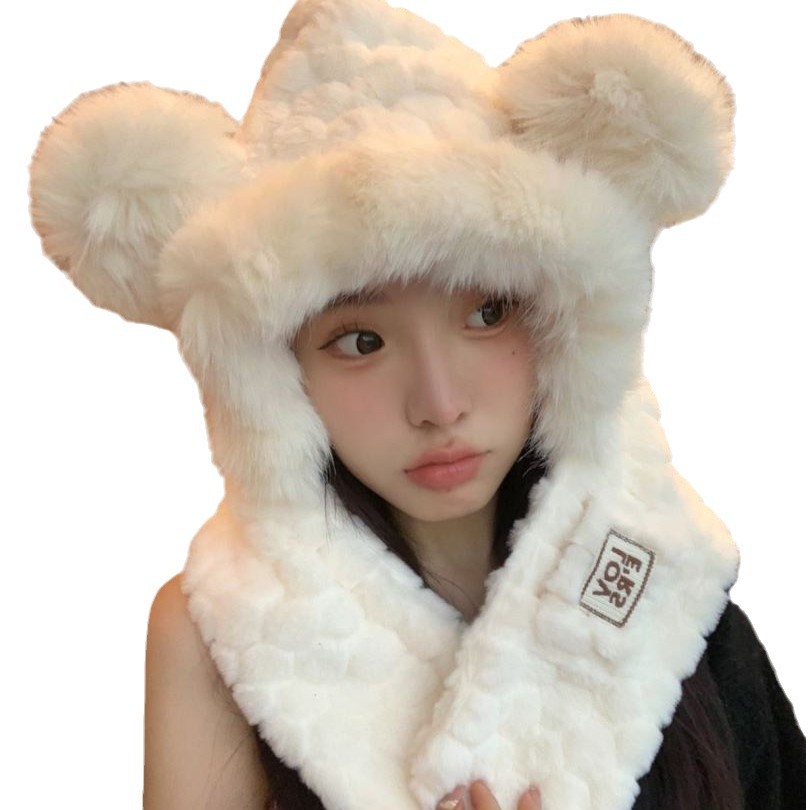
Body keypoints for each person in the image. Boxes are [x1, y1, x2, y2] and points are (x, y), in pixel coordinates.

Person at [28, 0, 804, 808]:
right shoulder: (216, 627)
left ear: (561, 324)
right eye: (361, 340)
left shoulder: (665, 582)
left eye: (488, 312)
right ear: (274, 380)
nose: (439, 404)